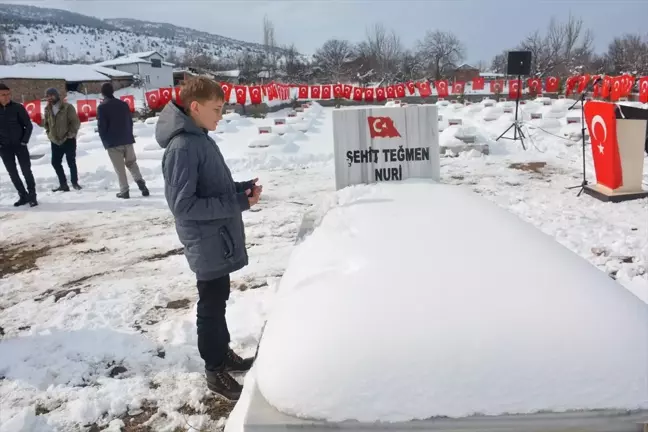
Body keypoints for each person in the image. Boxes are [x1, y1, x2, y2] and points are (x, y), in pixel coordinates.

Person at [155, 76, 262, 401]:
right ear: (196, 107)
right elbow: (183, 205)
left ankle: (222, 354)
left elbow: (210, 186)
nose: (220, 115)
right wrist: (238, 202)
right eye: (216, 109)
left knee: (218, 299)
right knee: (211, 306)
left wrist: (239, 189)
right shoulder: (183, 146)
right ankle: (214, 370)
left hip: (217, 239)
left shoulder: (198, 136)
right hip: (206, 241)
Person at [97, 83, 149, 199]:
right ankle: (140, 182)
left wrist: (105, 141)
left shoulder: (102, 107)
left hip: (113, 142)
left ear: (102, 93)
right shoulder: (123, 104)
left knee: (119, 168)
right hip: (127, 139)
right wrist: (128, 134)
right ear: (113, 91)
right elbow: (129, 122)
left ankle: (124, 190)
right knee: (132, 163)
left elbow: (102, 127)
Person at [0, 83, 37, 207]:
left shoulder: (17, 108)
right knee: (13, 173)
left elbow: (29, 126)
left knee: (26, 171)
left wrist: (24, 141)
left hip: (20, 145)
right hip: (4, 148)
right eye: (3, 95)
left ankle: (32, 196)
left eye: (8, 94)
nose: (6, 97)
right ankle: (23, 195)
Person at [43, 88, 82, 192]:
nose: (49, 98)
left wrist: (70, 135)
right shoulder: (47, 109)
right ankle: (63, 184)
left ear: (56, 95)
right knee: (55, 162)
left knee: (71, 162)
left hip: (68, 140)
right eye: (47, 96)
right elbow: (46, 124)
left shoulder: (67, 107)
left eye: (51, 95)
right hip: (55, 141)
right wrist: (49, 134)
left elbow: (75, 123)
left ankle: (74, 182)